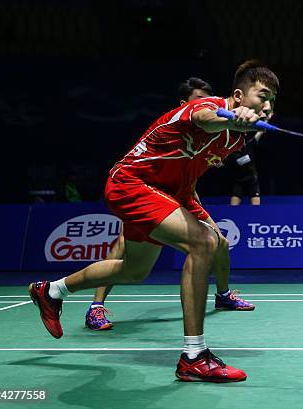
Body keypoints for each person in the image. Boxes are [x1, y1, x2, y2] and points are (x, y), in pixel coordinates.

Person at [28, 60, 278, 382]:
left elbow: (192, 165)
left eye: (273, 100)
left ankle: (51, 292)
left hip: (172, 193)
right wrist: (231, 117)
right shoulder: (207, 106)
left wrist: (240, 129)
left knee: (134, 270)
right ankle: (194, 355)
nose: (268, 105)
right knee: (204, 243)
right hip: (133, 183)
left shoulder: (233, 141)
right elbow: (206, 119)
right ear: (239, 95)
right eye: (263, 96)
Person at [85, 77, 255, 332]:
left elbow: (196, 164)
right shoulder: (180, 124)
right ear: (185, 104)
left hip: (183, 194)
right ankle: (96, 306)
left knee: (220, 242)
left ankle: (223, 295)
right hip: (149, 188)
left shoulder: (221, 136)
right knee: (123, 247)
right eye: (199, 100)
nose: (206, 105)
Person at [226, 112, 272, 206]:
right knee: (232, 208)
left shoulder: (249, 144)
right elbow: (221, 163)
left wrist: (267, 119)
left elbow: (261, 132)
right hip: (238, 181)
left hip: (252, 180)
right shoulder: (230, 150)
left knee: (256, 209)